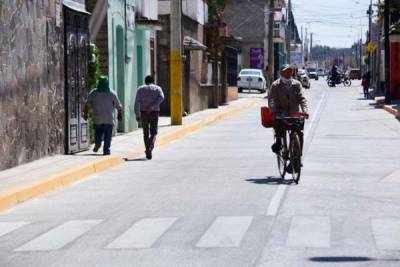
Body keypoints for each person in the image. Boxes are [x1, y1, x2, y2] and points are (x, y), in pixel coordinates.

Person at [268, 64, 309, 156]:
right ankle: (279, 142)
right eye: (286, 72)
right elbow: (271, 100)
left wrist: (305, 111)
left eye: (290, 72)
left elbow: (302, 98)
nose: (288, 74)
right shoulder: (275, 85)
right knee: (279, 130)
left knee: (299, 133)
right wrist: (273, 111)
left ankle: (298, 157)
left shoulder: (297, 84)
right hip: (280, 114)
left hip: (294, 114)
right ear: (281, 73)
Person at [83, 76, 123, 155]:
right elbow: (119, 106)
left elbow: (87, 104)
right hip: (108, 119)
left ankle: (98, 143)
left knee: (98, 133)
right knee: (108, 136)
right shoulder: (112, 93)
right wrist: (119, 114)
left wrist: (85, 113)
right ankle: (106, 150)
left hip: (98, 118)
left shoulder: (93, 93)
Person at [134, 75, 164, 160]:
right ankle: (150, 148)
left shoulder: (140, 89)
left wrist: (137, 114)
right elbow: (162, 97)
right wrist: (153, 106)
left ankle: (147, 149)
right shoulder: (158, 88)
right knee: (154, 132)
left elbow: (136, 102)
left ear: (145, 81)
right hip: (154, 112)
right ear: (153, 81)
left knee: (145, 133)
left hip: (144, 113)